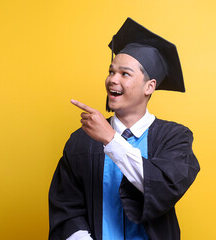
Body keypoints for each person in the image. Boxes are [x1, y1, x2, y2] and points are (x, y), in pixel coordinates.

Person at [48, 17, 200, 240]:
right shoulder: (81, 140)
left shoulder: (175, 138)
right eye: (111, 71)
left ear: (149, 86)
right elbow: (66, 207)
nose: (112, 80)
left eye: (124, 74)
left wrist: (111, 140)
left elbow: (164, 188)